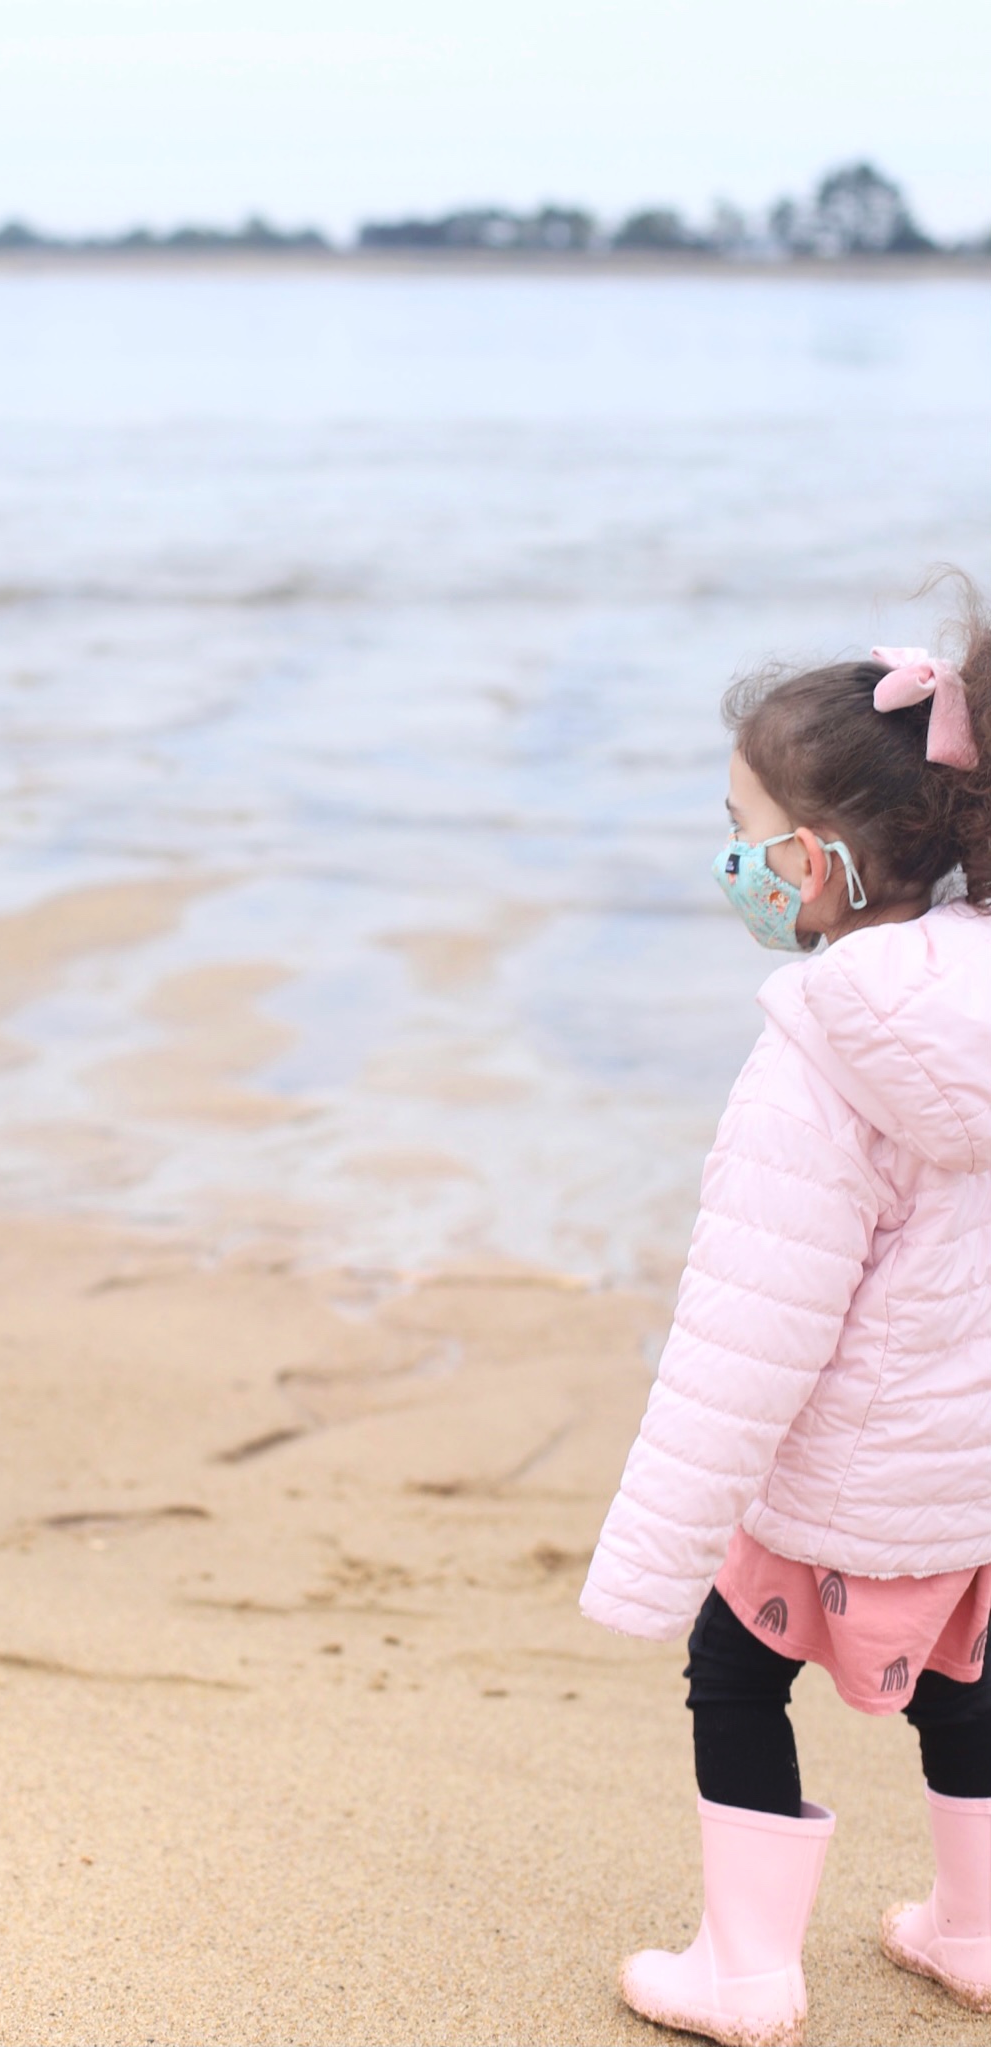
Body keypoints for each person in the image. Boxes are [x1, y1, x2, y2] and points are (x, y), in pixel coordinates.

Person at [581, 606, 991, 2047]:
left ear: (813, 861)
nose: (731, 859)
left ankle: (744, 1972)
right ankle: (975, 1929)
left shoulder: (818, 1055)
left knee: (734, 1661)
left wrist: (648, 1554)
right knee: (966, 1672)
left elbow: (744, 1338)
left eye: (740, 826)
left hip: (838, 1482)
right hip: (972, 1477)